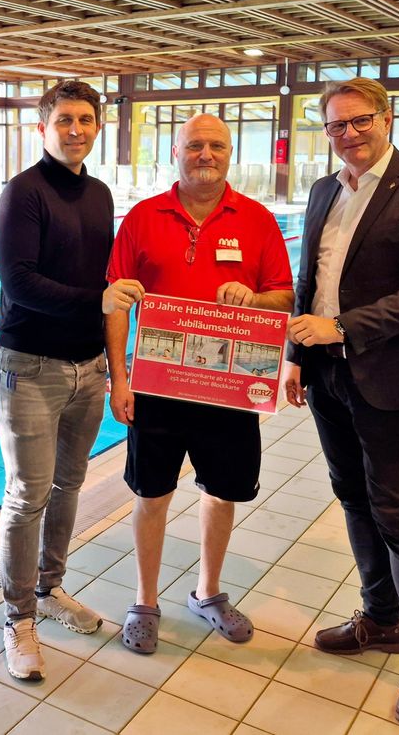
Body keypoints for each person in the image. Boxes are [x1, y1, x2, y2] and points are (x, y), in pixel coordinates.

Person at [284, 78, 399, 727]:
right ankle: (381, 617)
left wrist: (340, 328)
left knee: (397, 512)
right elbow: (310, 281)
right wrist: (297, 355)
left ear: (386, 118)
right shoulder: (324, 190)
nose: (349, 134)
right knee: (353, 498)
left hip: (389, 374)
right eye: (336, 125)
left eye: (360, 121)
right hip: (327, 375)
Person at [105, 114, 293, 655]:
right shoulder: (143, 217)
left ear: (230, 153)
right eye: (194, 146)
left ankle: (207, 592)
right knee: (152, 494)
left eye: (216, 146)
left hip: (228, 390)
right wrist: (120, 379)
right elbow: (116, 301)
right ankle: (144, 601)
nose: (205, 155)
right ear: (176, 152)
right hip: (159, 386)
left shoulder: (257, 219)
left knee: (221, 493)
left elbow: (283, 296)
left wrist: (253, 298)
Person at [0, 79, 145, 681]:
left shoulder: (100, 194)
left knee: (68, 485)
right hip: (30, 365)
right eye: (64, 120)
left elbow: (105, 279)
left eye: (85, 119)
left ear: (97, 127)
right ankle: (18, 618)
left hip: (88, 367)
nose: (75, 130)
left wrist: (113, 361)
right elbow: (19, 282)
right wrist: (97, 300)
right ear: (43, 127)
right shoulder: (24, 192)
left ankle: (49, 588)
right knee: (27, 494)